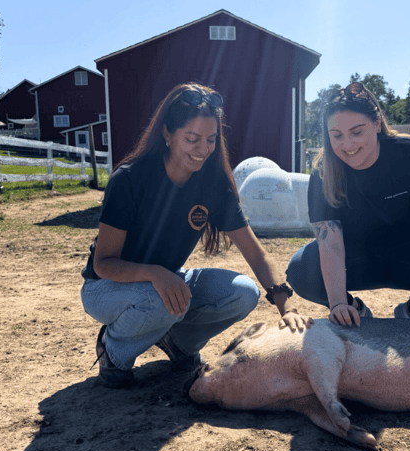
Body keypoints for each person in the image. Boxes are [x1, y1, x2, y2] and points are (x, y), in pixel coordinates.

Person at [81, 83, 312, 388]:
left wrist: (286, 305)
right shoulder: (130, 179)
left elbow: (255, 252)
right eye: (191, 139)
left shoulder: (213, 183)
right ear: (167, 134)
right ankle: (114, 351)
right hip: (107, 287)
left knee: (243, 293)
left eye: (211, 139)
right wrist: (156, 274)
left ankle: (180, 344)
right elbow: (104, 265)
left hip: (165, 280)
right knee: (162, 300)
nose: (203, 149)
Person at [286, 82, 410, 327]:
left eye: (357, 132)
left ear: (377, 124)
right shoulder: (323, 171)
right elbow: (330, 243)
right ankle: (355, 311)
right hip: (355, 258)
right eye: (337, 135)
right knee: (300, 269)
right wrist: (337, 303)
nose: (347, 145)